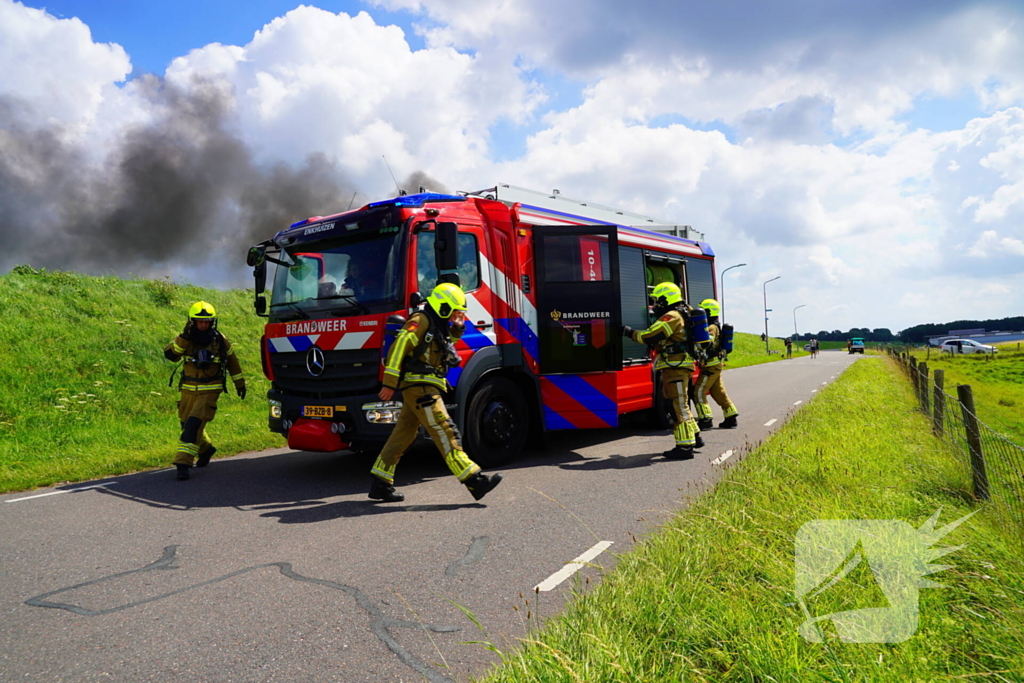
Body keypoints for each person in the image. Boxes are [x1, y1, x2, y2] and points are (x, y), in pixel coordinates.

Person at [368, 283, 503, 503]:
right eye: (454, 311)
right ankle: (474, 480)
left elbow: (443, 347)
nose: (455, 315)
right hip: (420, 387)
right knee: (444, 430)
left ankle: (380, 483)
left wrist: (457, 328)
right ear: (442, 306)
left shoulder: (436, 324)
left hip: (424, 386)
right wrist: (389, 383)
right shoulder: (420, 321)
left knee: (403, 435)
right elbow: (399, 347)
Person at [163, 301, 246, 480]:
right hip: (188, 390)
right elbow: (170, 355)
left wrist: (240, 384)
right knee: (186, 425)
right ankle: (206, 449)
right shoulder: (185, 339)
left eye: (207, 321)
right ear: (192, 321)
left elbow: (233, 361)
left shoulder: (219, 340)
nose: (204, 325)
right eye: (200, 322)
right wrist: (184, 337)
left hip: (210, 390)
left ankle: (183, 464)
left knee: (193, 426)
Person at [622, 282, 703, 460]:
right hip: (677, 366)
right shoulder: (685, 311)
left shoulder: (672, 316)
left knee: (677, 406)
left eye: (658, 300)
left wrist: (628, 332)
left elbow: (650, 336)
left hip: (676, 367)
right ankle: (695, 437)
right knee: (675, 403)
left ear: (667, 298)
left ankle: (684, 447)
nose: (656, 304)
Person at [693, 299, 740, 430]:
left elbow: (708, 342)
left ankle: (705, 419)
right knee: (718, 391)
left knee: (699, 391)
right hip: (715, 364)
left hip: (711, 365)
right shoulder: (715, 325)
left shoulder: (711, 327)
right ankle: (731, 416)